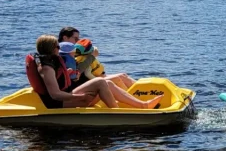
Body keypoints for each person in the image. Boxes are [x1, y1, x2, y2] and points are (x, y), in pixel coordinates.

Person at [27, 35, 163, 110]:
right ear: (51, 48)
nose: (59, 48)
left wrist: (66, 75)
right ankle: (118, 114)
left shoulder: (50, 63)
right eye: (57, 46)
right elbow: (55, 95)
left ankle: (142, 105)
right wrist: (79, 97)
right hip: (58, 104)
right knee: (100, 82)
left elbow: (55, 83)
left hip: (66, 95)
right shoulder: (46, 67)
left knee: (107, 82)